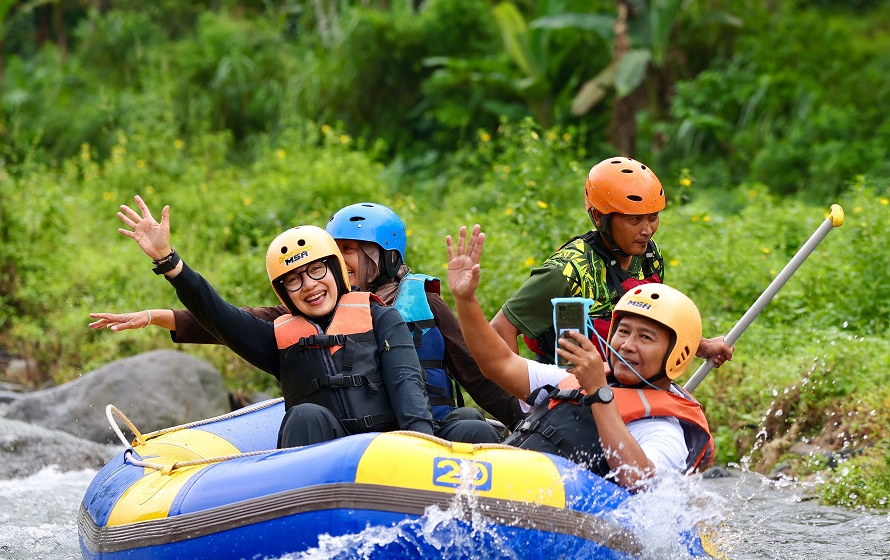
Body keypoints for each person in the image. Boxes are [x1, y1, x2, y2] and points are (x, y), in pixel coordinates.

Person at [109, 195, 499, 448]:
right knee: (306, 415)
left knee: (473, 426)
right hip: (321, 467)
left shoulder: (383, 316)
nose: (309, 287)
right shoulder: (278, 331)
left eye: (318, 272)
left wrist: (421, 453)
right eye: (294, 280)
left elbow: (407, 387)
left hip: (389, 447)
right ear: (283, 291)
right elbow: (221, 316)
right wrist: (170, 265)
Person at [447, 224, 713, 491]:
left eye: (645, 337)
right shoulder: (574, 381)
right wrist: (466, 300)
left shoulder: (664, 430)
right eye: (623, 331)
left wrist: (599, 392)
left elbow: (641, 482)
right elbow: (498, 364)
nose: (627, 345)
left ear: (677, 354)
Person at [489, 156, 733, 368]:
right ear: (598, 216)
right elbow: (501, 328)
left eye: (653, 217)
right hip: (569, 394)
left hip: (625, 383)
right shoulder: (566, 270)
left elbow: (653, 326)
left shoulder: (648, 257)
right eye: (634, 219)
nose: (647, 230)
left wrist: (699, 346)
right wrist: (521, 402)